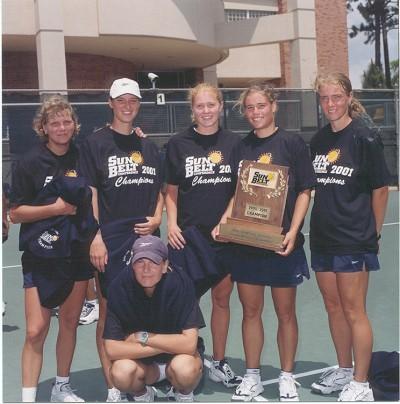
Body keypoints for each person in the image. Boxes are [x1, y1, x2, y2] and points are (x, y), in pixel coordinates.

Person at [212, 84, 316, 401]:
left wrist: (292, 231)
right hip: (247, 245)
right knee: (250, 312)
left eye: (261, 105)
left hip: (282, 244)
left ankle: (286, 376)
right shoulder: (241, 147)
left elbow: (304, 191)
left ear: (274, 106)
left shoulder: (293, 143)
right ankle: (253, 376)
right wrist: (224, 221)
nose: (255, 112)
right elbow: (239, 194)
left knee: (286, 313)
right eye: (249, 108)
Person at [79, 78, 164, 402]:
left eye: (133, 100)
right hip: (111, 240)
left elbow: (160, 189)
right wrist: (96, 237)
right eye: (121, 100)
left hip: (145, 240)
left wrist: (158, 218)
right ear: (111, 104)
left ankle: (139, 379)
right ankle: (114, 385)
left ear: (138, 105)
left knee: (143, 313)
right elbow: (91, 195)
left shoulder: (149, 146)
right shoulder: (96, 143)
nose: (127, 105)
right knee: (109, 313)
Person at [309, 72, 390, 402]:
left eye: (336, 97)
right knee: (333, 307)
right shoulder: (318, 140)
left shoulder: (364, 137)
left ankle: (360, 382)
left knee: (355, 310)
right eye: (325, 98)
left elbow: (381, 190)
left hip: (354, 238)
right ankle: (344, 369)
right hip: (323, 237)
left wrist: (373, 233)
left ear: (348, 96)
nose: (330, 104)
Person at [10, 95, 95, 402]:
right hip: (40, 255)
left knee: (70, 322)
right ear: (43, 127)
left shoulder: (83, 155)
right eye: (54, 122)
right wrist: (56, 209)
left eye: (66, 121)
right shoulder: (30, 162)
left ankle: (62, 385)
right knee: (35, 330)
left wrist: (137, 135)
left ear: (74, 125)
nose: (61, 127)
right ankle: (28, 397)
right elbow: (15, 213)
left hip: (77, 253)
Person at [165, 83, 242, 388]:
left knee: (222, 300)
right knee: (183, 305)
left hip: (225, 238)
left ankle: (219, 362)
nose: (206, 111)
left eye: (211, 105)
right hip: (188, 240)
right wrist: (171, 225)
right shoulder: (178, 144)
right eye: (200, 106)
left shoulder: (234, 144)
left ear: (220, 106)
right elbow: (170, 191)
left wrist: (226, 221)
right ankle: (181, 361)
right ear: (192, 109)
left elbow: (240, 189)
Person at [103, 235, 204, 402]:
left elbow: (189, 344)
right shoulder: (118, 287)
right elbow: (112, 349)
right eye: (140, 262)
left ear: (165, 266)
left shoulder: (182, 283)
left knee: (185, 370)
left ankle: (184, 394)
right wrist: (170, 346)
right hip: (144, 364)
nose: (146, 269)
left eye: (154, 262)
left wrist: (142, 336)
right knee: (120, 373)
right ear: (132, 265)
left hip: (177, 360)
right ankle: (142, 394)